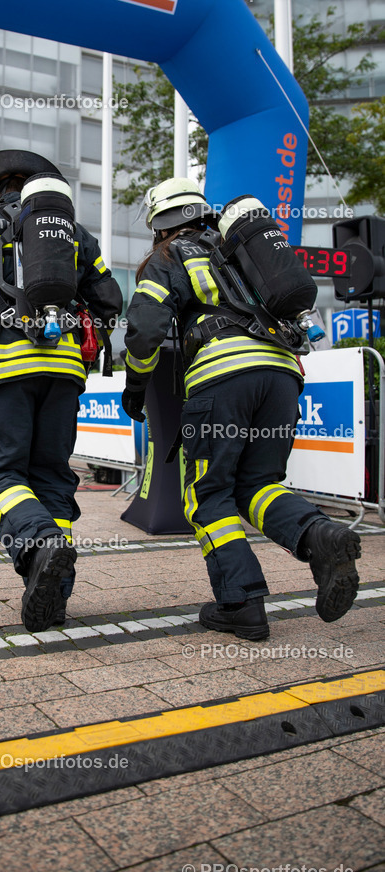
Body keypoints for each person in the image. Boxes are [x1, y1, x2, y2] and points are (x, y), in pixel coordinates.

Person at [122, 177, 361, 641]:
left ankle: (241, 603)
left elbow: (145, 326)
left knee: (207, 495)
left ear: (160, 224)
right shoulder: (239, 250)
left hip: (223, 376)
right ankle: (321, 536)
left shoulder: (167, 257)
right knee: (258, 484)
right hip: (282, 375)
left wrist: (136, 384)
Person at [0, 149, 122, 632]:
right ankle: (53, 595)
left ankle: (41, 545)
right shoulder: (75, 234)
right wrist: (86, 343)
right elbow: (109, 301)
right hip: (64, 371)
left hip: (3, 363)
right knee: (52, 477)